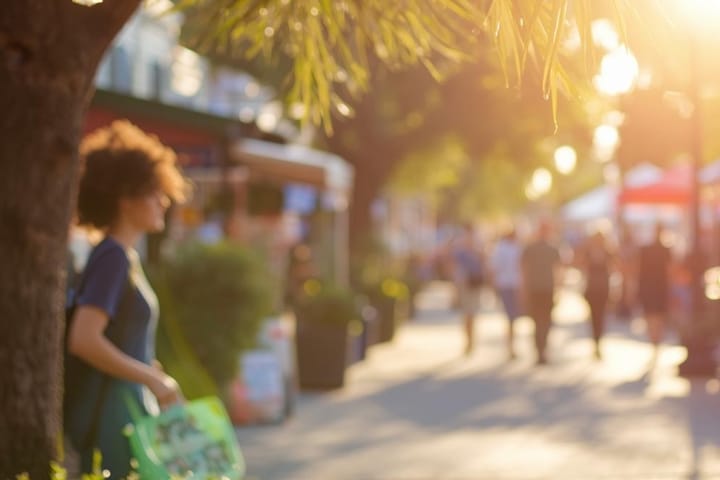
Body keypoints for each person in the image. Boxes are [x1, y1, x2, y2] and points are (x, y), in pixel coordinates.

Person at [64, 120, 188, 478]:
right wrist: (151, 378)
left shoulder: (122, 257)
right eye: (154, 192)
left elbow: (122, 338)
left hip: (124, 415)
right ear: (126, 196)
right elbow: (84, 339)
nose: (163, 201)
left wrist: (152, 371)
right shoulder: (113, 257)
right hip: (110, 421)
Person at [521, 222, 561, 365]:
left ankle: (541, 349)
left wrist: (558, 289)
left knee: (543, 320)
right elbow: (524, 270)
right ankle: (540, 349)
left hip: (543, 288)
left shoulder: (551, 248)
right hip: (537, 288)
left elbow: (558, 271)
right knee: (540, 320)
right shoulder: (532, 249)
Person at [637, 224, 672, 369]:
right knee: (657, 317)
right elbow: (671, 270)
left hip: (651, 287)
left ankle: (654, 343)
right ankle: (656, 343)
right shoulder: (664, 249)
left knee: (652, 317)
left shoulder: (648, 249)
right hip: (658, 287)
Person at [576, 231, 614, 360]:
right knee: (594, 316)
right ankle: (595, 342)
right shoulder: (588, 251)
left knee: (601, 316)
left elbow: (614, 267)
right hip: (592, 288)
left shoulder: (608, 252)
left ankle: (598, 341)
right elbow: (580, 264)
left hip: (603, 288)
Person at [452, 225, 486, 355]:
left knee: (472, 312)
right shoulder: (460, 250)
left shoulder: (478, 249)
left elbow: (483, 264)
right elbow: (454, 267)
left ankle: (471, 340)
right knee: (467, 313)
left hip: (475, 283)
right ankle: (468, 340)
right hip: (464, 283)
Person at [490, 228, 523, 360]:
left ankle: (510, 346)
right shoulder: (513, 248)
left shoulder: (501, 249)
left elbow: (494, 269)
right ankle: (510, 346)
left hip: (506, 285)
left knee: (511, 317)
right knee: (511, 317)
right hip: (511, 285)